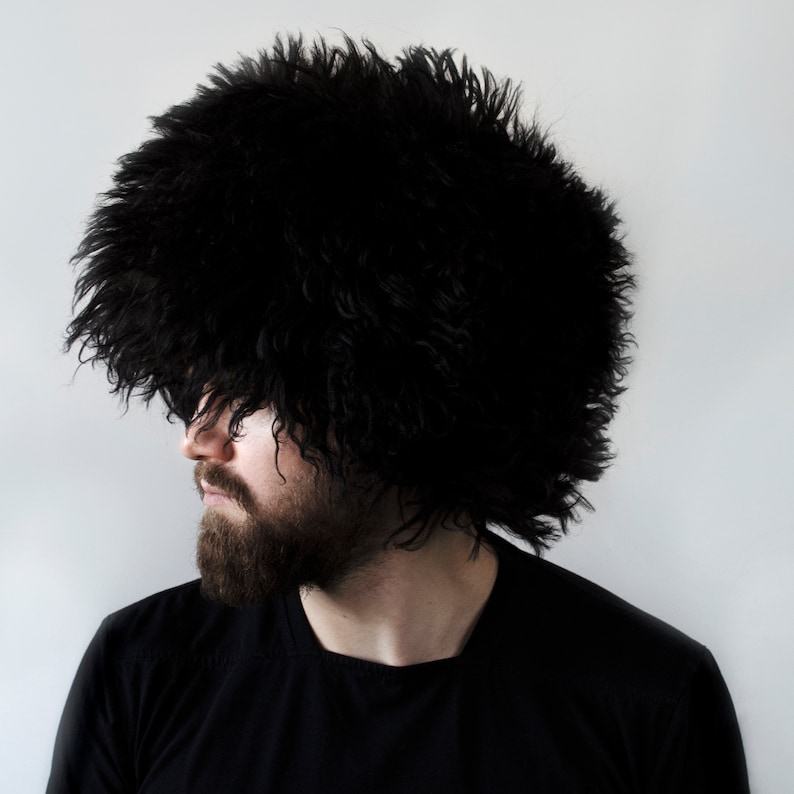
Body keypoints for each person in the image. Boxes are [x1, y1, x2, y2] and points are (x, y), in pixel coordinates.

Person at [48, 34, 749, 792]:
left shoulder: (648, 705)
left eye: (253, 394)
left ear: (398, 404)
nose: (198, 439)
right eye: (196, 388)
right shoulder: (142, 673)